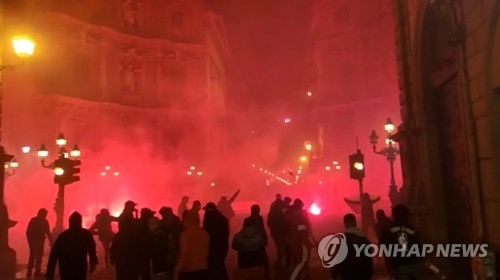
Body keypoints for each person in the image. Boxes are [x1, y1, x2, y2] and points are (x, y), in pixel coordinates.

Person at [45, 212, 97, 280]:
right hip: (80, 267)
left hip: (66, 268)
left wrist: (49, 273)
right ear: (80, 221)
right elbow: (92, 250)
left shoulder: (63, 236)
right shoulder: (86, 235)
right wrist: (93, 264)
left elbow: (53, 255)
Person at [380, 204, 426, 280]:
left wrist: (390, 268)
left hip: (398, 265)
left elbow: (384, 248)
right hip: (414, 263)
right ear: (407, 215)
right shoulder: (413, 228)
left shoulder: (387, 229)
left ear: (394, 215)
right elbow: (419, 246)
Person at [331, 214, 373, 280]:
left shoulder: (343, 240)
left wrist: (334, 274)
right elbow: (369, 261)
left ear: (345, 224)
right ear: (355, 223)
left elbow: (338, 260)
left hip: (347, 275)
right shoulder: (364, 240)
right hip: (362, 275)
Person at [285, 199, 317, 280]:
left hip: (296, 238)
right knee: (300, 259)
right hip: (297, 239)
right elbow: (306, 225)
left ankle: (301, 274)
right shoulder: (293, 213)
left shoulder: (290, 212)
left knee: (299, 259)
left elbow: (307, 225)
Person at [174, 210, 209, 280]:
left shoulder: (185, 235)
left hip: (189, 270)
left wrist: (177, 270)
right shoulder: (204, 233)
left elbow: (183, 254)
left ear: (186, 220)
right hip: (203, 268)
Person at [202, 202, 230, 280]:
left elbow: (207, 233)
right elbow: (226, 234)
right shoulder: (223, 219)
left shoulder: (209, 219)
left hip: (212, 248)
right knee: (220, 267)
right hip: (222, 247)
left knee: (213, 269)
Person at [244, 204, 270, 279]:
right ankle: (266, 275)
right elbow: (262, 229)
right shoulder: (259, 218)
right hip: (259, 241)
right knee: (264, 259)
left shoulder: (247, 220)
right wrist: (265, 238)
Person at [26, 208, 53, 278]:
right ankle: (35, 272)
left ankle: (31, 272)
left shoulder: (34, 220)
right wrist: (51, 241)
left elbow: (28, 232)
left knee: (34, 256)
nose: (45, 216)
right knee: (37, 257)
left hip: (36, 242)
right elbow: (48, 232)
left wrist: (30, 241)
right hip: (38, 241)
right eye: (45, 214)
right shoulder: (44, 221)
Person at [268, 196, 286, 268]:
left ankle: (279, 262)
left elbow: (269, 223)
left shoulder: (271, 213)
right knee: (282, 247)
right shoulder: (282, 214)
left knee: (279, 247)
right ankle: (279, 262)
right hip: (281, 232)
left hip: (275, 232)